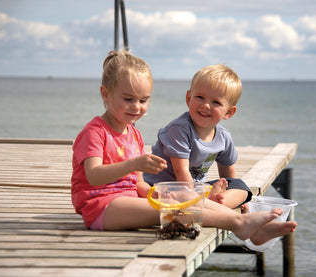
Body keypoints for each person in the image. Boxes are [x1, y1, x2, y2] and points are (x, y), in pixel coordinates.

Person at [71, 50, 297, 246]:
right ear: (105, 94)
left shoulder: (134, 133)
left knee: (180, 197)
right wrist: (136, 165)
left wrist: (159, 194)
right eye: (128, 99)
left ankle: (255, 232)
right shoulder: (95, 132)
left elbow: (137, 184)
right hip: (100, 207)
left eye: (143, 100)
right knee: (172, 210)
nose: (136, 107)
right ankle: (239, 223)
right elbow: (93, 176)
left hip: (128, 198)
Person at [144, 64, 252, 210]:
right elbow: (181, 172)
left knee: (241, 187)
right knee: (177, 195)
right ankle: (210, 204)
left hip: (197, 189)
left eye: (216, 102)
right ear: (189, 98)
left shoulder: (223, 137)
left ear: (229, 112)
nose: (206, 105)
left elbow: (228, 176)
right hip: (164, 187)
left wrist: (231, 191)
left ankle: (214, 202)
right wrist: (194, 195)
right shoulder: (180, 129)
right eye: (200, 97)